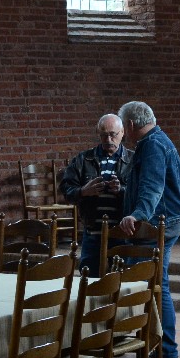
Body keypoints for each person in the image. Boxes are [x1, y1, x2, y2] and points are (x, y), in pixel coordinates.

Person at [116, 100, 180, 358]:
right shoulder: (156, 140)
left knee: (151, 284)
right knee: (152, 283)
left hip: (155, 225)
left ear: (131, 124)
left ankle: (163, 347)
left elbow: (153, 187)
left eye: (124, 127)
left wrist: (137, 215)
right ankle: (154, 344)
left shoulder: (153, 145)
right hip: (165, 221)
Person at [61, 113, 133, 276]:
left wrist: (121, 190)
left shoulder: (133, 160)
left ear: (122, 132)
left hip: (122, 231)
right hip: (93, 230)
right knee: (89, 277)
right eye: (103, 135)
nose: (108, 140)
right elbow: (66, 190)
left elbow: (142, 192)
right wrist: (83, 191)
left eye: (112, 134)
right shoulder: (83, 159)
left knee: (121, 279)